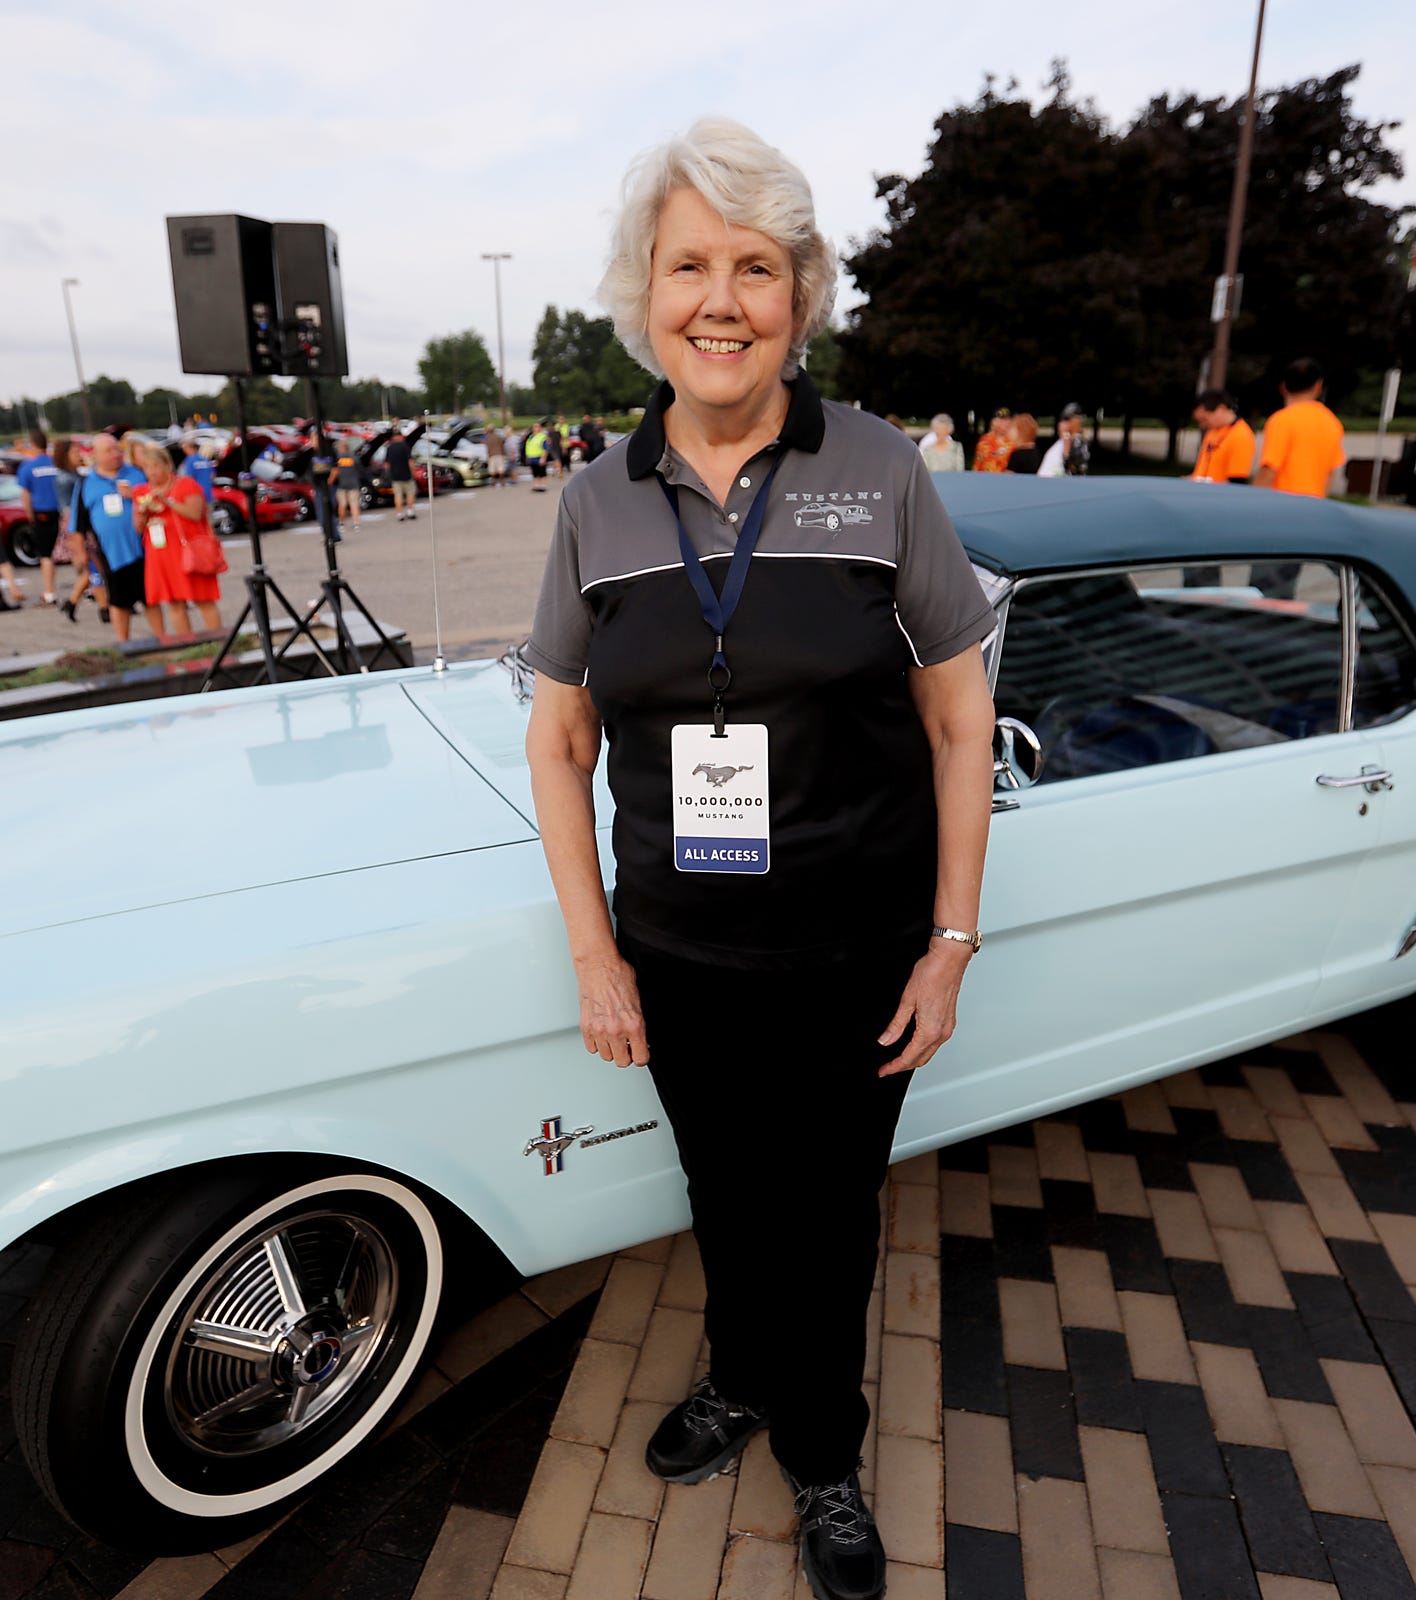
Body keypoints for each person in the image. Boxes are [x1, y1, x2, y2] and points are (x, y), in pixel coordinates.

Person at [524, 117, 995, 1600]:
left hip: (855, 955)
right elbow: (558, 745)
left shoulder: (881, 473)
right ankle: (739, 1374)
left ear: (799, 295)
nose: (720, 300)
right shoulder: (594, 502)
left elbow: (958, 718)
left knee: (829, 1212)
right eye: (688, 266)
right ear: (643, 293)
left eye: (754, 267)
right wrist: (597, 956)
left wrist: (951, 940)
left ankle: (826, 1450)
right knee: (724, 1191)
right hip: (682, 956)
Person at [132, 441, 223, 635]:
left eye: (155, 466)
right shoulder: (141, 491)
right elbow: (138, 527)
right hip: (161, 553)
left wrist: (168, 501)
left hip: (190, 551)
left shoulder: (185, 484)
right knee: (174, 603)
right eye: (147, 467)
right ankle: (188, 647)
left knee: (203, 599)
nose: (152, 472)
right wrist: (143, 512)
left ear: (167, 465)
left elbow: (195, 513)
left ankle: (218, 644)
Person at [69, 432, 147, 640]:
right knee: (119, 601)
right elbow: (77, 524)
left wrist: (136, 495)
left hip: (147, 549)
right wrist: (79, 554)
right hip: (113, 554)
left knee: (152, 599)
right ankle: (124, 644)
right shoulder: (86, 483)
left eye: (117, 449)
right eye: (109, 451)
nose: (116, 454)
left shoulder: (137, 474)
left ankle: (163, 641)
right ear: (95, 455)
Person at [1253, 358, 1345, 498]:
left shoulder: (1281, 420)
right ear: (1318, 386)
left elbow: (1269, 470)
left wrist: (1253, 503)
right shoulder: (1332, 422)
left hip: (1282, 506)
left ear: (1283, 387)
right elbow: (1330, 473)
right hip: (1314, 507)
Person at [51, 437, 103, 623]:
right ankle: (99, 607)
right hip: (75, 525)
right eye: (74, 453)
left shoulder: (75, 475)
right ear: (65, 455)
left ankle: (77, 603)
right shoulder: (65, 478)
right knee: (93, 566)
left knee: (95, 566)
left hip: (79, 523)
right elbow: (71, 509)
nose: (78, 455)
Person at [15, 429, 61, 606]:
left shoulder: (28, 467)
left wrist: (29, 516)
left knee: (46, 555)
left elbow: (25, 495)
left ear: (33, 445)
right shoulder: (55, 463)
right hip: (59, 512)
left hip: (41, 513)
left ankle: (49, 593)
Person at [1188, 389, 1256, 483]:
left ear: (1221, 409)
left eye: (1204, 419)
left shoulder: (1241, 435)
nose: (1202, 425)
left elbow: (1236, 481)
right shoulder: (1212, 432)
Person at [1038, 404, 1090, 477]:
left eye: (1067, 419)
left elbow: (1071, 463)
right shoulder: (1064, 440)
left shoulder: (1078, 441)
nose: (1063, 423)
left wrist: (1065, 435)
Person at [386, 429, 417, 520]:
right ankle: (410, 511)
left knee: (398, 495)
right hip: (406, 475)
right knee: (410, 493)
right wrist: (413, 472)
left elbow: (387, 464)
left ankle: (399, 513)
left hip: (395, 476)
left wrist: (389, 474)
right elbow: (410, 461)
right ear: (400, 436)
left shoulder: (389, 448)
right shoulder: (405, 446)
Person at [334, 439, 363, 531]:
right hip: (353, 484)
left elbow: (335, 471)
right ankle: (356, 523)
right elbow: (360, 469)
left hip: (341, 484)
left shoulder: (337, 458)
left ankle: (342, 524)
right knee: (354, 504)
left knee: (342, 505)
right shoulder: (353, 457)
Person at [178, 435, 216, 501]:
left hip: (196, 497)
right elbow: (212, 476)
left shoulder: (189, 461)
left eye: (184, 447)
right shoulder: (205, 460)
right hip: (208, 496)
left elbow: (187, 479)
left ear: (188, 447)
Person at [525, 421, 550, 491]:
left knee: (541, 472)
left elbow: (546, 448)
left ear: (540, 428)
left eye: (537, 427)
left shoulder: (542, 437)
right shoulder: (530, 437)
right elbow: (528, 447)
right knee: (535, 472)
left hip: (539, 457)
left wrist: (543, 458)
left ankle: (542, 485)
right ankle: (536, 485)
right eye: (535, 427)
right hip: (531, 457)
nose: (536, 428)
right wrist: (527, 456)